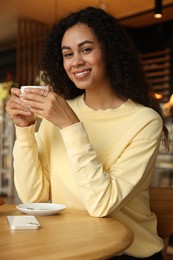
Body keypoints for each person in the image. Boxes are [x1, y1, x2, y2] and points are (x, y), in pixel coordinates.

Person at [6, 6, 169, 259]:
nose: (76, 61)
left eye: (86, 49)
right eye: (68, 54)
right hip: (72, 246)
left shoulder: (144, 121)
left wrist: (71, 125)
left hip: (128, 252)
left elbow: (101, 204)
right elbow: (33, 196)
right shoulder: (60, 111)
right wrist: (25, 129)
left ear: (109, 52)